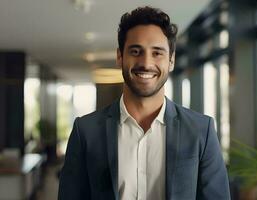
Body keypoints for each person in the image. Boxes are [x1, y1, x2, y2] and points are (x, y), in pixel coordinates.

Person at [58, 6, 230, 200]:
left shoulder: (201, 130)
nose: (146, 63)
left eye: (157, 53)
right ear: (120, 57)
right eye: (135, 51)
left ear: (171, 60)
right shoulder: (86, 131)